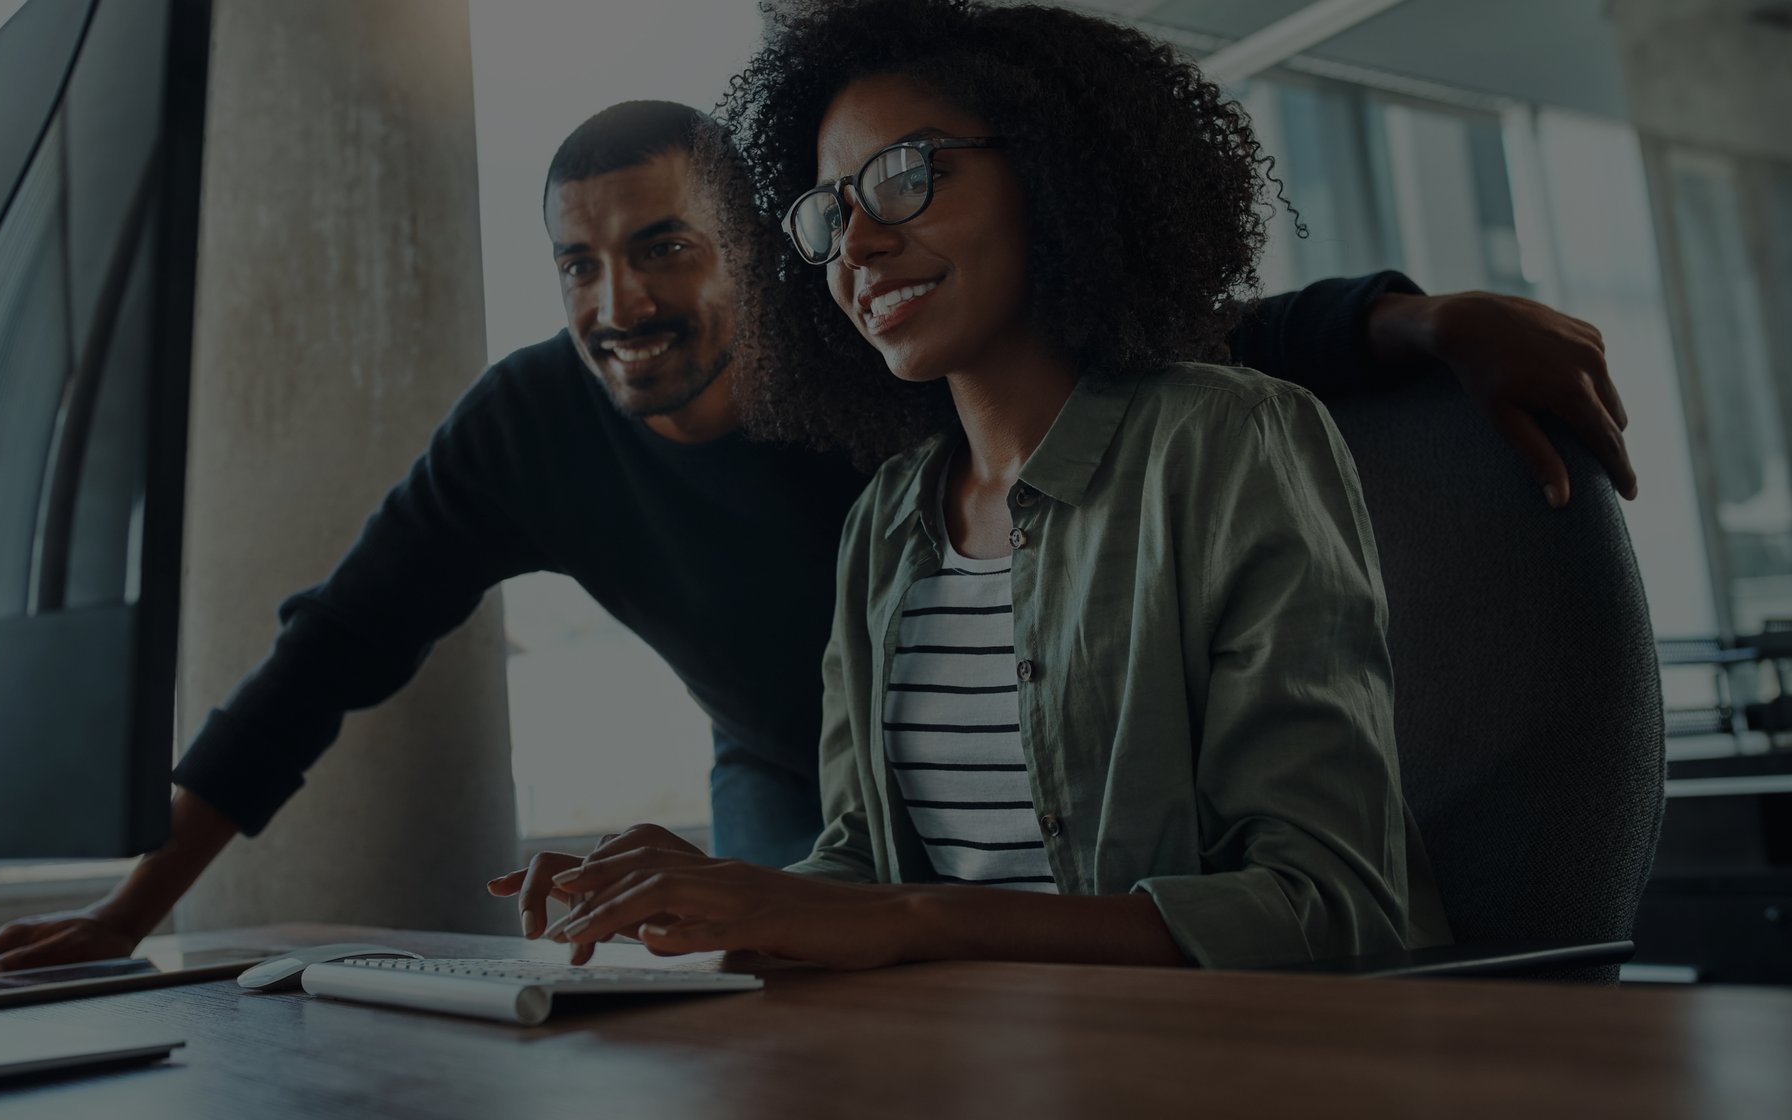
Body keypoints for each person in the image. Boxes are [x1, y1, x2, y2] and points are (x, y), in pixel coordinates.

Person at [0, 76, 1628, 986]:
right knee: (757, 998)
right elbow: (328, 652)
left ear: (760, 248)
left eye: (663, 246)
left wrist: (1420, 320)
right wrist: (135, 909)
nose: (616, 301)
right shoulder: (525, 426)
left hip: (1067, 788)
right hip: (806, 786)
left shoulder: (878, 363)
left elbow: (1190, 344)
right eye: (576, 259)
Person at [496, 0, 1471, 971]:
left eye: (907, 176)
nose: (857, 244)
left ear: (1051, 170)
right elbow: (863, 867)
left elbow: (1335, 907)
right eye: (831, 211)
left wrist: (926, 918)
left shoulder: (1227, 439)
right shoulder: (885, 519)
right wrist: (707, 895)